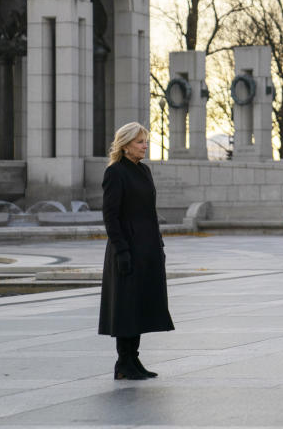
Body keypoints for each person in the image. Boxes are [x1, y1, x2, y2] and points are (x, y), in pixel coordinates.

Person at [98, 122, 175, 380]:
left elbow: (150, 214)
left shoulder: (144, 171)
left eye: (145, 141)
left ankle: (134, 359)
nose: (145, 146)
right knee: (126, 305)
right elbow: (111, 216)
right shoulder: (115, 172)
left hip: (147, 248)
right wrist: (121, 251)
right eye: (140, 142)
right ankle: (123, 362)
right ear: (126, 144)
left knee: (140, 304)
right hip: (127, 249)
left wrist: (159, 245)